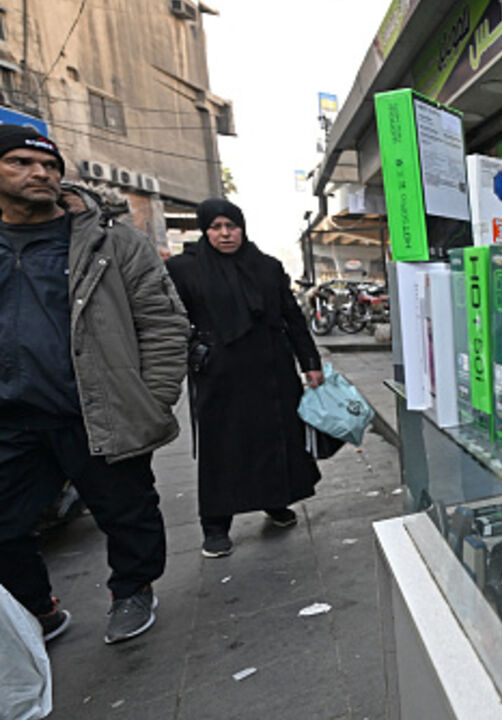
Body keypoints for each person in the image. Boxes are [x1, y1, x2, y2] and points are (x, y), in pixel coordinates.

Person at [0, 126, 187, 645]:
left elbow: (164, 322)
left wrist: (152, 398)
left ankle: (132, 591)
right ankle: (38, 610)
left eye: (49, 166)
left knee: (126, 511)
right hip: (13, 418)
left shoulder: (112, 241)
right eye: (20, 163)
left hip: (95, 407)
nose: (40, 173)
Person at [165, 199, 324, 558]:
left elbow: (292, 317)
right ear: (204, 230)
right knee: (224, 446)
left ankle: (275, 501)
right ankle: (216, 524)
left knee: (275, 440)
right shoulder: (183, 269)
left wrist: (310, 361)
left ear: (242, 227)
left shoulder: (266, 266)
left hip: (272, 371)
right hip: (221, 375)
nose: (225, 234)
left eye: (232, 226)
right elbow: (169, 321)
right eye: (217, 227)